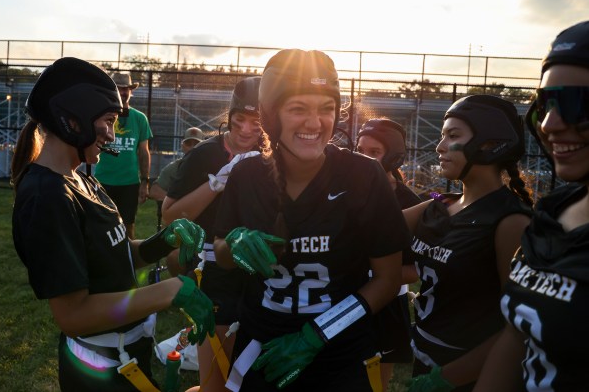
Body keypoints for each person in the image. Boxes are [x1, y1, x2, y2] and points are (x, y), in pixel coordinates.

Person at [10, 57, 214, 391]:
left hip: (124, 356)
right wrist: (170, 290)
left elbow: (114, 254)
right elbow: (73, 314)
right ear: (72, 118)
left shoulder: (81, 179)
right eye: (107, 120)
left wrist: (164, 241)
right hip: (100, 367)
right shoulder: (47, 196)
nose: (111, 132)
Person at [213, 49, 411, 392]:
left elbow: (387, 279)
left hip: (339, 352)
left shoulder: (363, 175)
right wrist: (234, 244)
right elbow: (219, 252)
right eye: (298, 109)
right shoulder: (246, 174)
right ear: (271, 116)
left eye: (326, 109)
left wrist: (318, 334)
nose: (315, 123)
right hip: (263, 349)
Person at [474, 20, 589, 392]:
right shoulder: (554, 209)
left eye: (576, 104)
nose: (551, 123)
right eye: (544, 104)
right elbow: (518, 334)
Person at [402, 94, 534, 391]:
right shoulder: (438, 204)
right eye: (442, 135)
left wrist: (448, 378)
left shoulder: (511, 222)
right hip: (423, 359)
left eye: (453, 135)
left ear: (489, 144)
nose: (439, 147)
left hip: (469, 375)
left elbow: (518, 328)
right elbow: (370, 229)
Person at [161, 76, 263, 391]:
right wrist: (217, 183)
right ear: (229, 116)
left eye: (256, 121)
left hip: (261, 271)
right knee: (215, 379)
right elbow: (169, 216)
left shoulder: (274, 153)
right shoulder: (205, 154)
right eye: (239, 120)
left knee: (252, 376)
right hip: (214, 271)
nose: (246, 129)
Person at [355, 117, 422, 390]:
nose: (364, 159)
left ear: (393, 158)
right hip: (342, 300)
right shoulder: (341, 190)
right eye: (360, 150)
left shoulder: (408, 203)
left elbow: (419, 267)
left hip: (387, 309)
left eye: (374, 153)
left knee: (375, 385)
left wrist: (377, 275)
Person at [94, 71, 153, 239]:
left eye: (126, 89)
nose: (123, 92)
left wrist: (145, 181)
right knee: (101, 225)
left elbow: (143, 151)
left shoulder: (139, 118)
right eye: (118, 89)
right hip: (104, 179)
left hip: (129, 183)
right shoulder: (102, 116)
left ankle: (128, 262)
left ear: (130, 91)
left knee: (128, 226)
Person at [149, 126, 205, 203]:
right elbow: (155, 191)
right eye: (188, 143)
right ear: (182, 146)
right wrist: (179, 203)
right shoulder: (174, 168)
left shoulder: (210, 167)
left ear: (204, 146)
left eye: (197, 144)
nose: (192, 148)